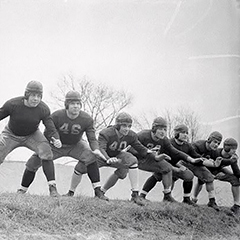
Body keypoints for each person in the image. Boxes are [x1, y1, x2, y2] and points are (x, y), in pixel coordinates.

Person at [18, 90, 108, 200]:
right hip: (56, 146)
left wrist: (96, 149)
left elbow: (92, 138)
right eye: (73, 103)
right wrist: (54, 139)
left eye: (78, 104)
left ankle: (98, 191)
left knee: (91, 156)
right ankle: (23, 190)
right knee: (32, 163)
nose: (76, 106)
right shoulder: (57, 116)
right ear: (67, 105)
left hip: (76, 145)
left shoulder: (86, 119)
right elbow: (47, 132)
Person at [65, 112, 160, 205]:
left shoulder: (131, 135)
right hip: (101, 157)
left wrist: (150, 152)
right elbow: (101, 148)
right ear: (118, 125)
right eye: (124, 126)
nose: (127, 129)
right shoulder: (106, 133)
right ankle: (71, 192)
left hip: (117, 155)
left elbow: (139, 147)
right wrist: (107, 159)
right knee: (79, 168)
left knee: (132, 160)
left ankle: (135, 194)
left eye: (129, 126)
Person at [0, 81, 62, 196]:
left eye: (39, 96)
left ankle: (52, 188)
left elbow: (50, 127)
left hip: (32, 134)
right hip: (11, 134)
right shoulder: (12, 104)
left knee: (46, 151)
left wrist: (56, 138)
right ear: (26, 94)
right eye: (33, 95)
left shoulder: (43, 108)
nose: (36, 99)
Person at [136, 120, 202, 204]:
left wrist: (191, 160)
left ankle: (183, 198)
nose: (163, 132)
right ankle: (141, 195)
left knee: (188, 175)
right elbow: (132, 145)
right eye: (161, 129)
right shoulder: (143, 135)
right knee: (161, 173)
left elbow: (176, 152)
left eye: (165, 129)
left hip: (165, 163)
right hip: (147, 160)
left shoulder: (170, 141)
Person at [194, 137, 240, 214]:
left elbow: (236, 172)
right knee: (201, 181)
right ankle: (194, 198)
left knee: (235, 179)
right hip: (209, 169)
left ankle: (237, 205)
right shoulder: (215, 152)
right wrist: (211, 174)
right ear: (227, 148)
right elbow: (206, 163)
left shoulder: (233, 157)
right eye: (233, 148)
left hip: (220, 171)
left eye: (236, 148)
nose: (235, 150)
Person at [191, 131, 224, 210]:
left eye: (218, 143)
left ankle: (210, 201)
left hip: (199, 165)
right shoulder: (197, 145)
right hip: (189, 162)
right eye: (215, 142)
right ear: (209, 139)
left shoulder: (214, 151)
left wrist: (215, 173)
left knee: (208, 177)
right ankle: (168, 196)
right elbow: (191, 157)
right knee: (178, 176)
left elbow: (216, 165)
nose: (216, 145)